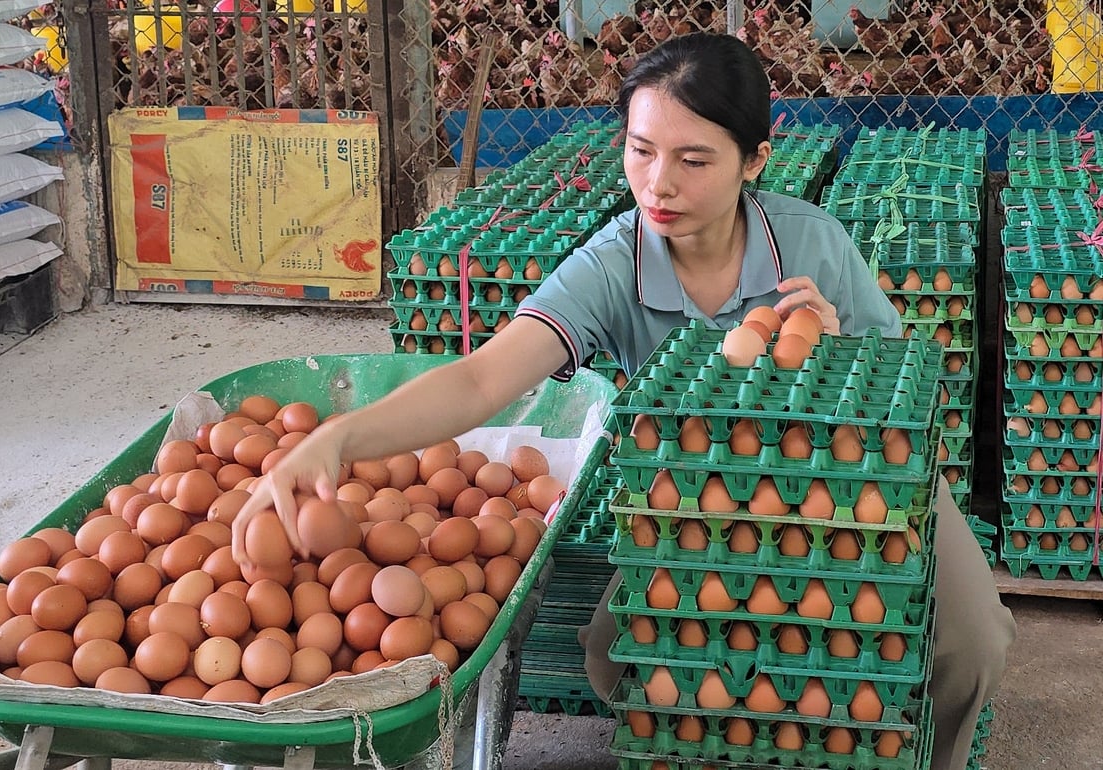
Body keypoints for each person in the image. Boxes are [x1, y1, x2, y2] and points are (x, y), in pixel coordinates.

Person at [233, 31, 1016, 770]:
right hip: (701, 498)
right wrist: (338, 438)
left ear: (754, 160)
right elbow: (481, 379)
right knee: (621, 654)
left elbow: (906, 398)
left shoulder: (812, 244)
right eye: (641, 150)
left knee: (970, 643)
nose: (659, 183)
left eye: (693, 159)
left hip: (852, 489)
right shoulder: (613, 265)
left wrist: (840, 353)